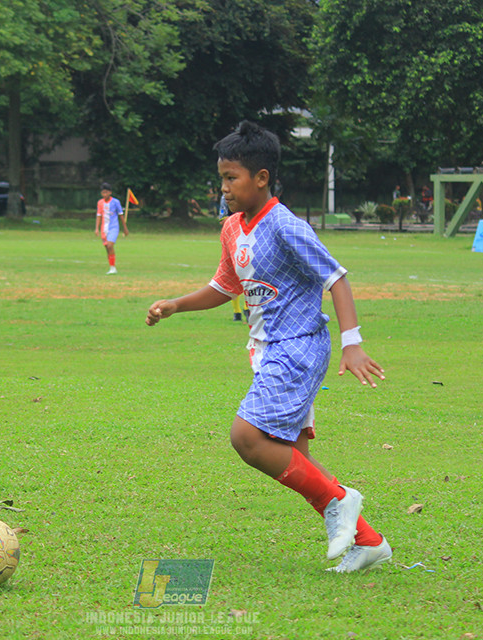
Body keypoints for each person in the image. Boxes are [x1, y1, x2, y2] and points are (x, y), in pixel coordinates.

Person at [146, 121, 391, 572]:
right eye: (221, 178)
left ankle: (343, 499)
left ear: (261, 178)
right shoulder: (232, 228)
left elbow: (335, 277)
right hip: (268, 349)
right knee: (295, 457)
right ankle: (368, 541)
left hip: (297, 346)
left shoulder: (284, 226)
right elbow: (225, 285)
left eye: (231, 178)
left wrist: (352, 343)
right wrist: (177, 305)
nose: (224, 188)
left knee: (247, 436)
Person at [94, 182, 128, 274]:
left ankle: (113, 268)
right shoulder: (100, 203)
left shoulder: (116, 202)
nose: (104, 194)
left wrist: (125, 228)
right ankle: (112, 266)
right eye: (103, 192)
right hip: (104, 229)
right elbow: (99, 215)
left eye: (106, 192)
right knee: (107, 248)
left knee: (110, 245)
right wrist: (96, 228)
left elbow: (121, 215)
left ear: (110, 192)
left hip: (113, 227)